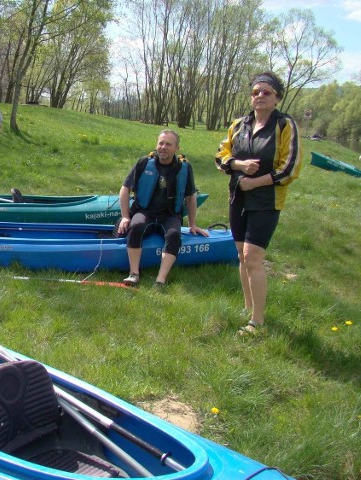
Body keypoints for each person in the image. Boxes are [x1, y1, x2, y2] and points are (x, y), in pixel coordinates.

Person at [215, 72, 302, 335]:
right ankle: (248, 306)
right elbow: (220, 156)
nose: (260, 96)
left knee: (253, 257)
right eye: (256, 92)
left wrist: (256, 182)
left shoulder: (285, 125)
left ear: (277, 97)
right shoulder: (239, 125)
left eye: (266, 92)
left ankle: (257, 321)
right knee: (241, 255)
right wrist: (238, 165)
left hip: (267, 200)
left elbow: (290, 168)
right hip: (238, 197)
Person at [117, 130, 209, 288]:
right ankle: (134, 274)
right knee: (136, 225)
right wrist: (125, 216)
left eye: (168, 144)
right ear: (156, 145)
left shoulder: (184, 168)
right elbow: (125, 188)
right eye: (161, 143)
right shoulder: (144, 162)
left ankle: (160, 279)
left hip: (169, 215)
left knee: (174, 234)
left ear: (177, 148)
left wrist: (192, 224)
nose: (163, 147)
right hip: (144, 212)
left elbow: (190, 197)